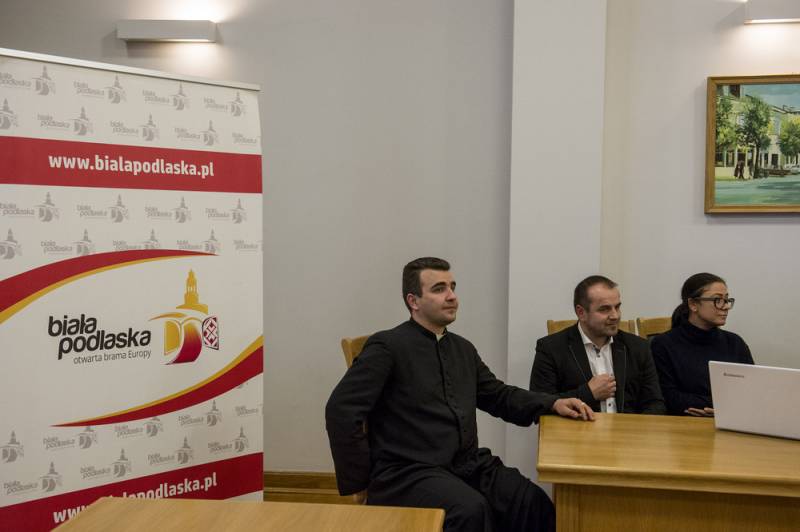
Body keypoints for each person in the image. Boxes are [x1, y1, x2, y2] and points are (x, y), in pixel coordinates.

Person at [325, 257, 594, 532]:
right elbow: (341, 410)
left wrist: (553, 402)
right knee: (470, 511)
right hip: (406, 471)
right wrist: (360, 481)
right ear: (413, 301)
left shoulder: (462, 348)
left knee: (530, 501)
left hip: (466, 464)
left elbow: (498, 395)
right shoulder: (387, 346)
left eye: (452, 287)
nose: (452, 296)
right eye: (439, 289)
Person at [529, 275, 666, 414]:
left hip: (628, 427)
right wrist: (588, 393)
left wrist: (633, 427)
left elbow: (655, 403)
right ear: (581, 313)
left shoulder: (638, 347)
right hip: (578, 426)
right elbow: (540, 404)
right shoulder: (551, 348)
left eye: (617, 307)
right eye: (605, 309)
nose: (615, 316)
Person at [651, 273, 754, 416]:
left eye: (726, 300)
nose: (725, 306)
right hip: (684, 423)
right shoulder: (663, 345)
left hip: (732, 420)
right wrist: (721, 406)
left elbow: (752, 391)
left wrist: (722, 410)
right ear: (693, 304)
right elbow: (669, 397)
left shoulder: (735, 343)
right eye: (717, 300)